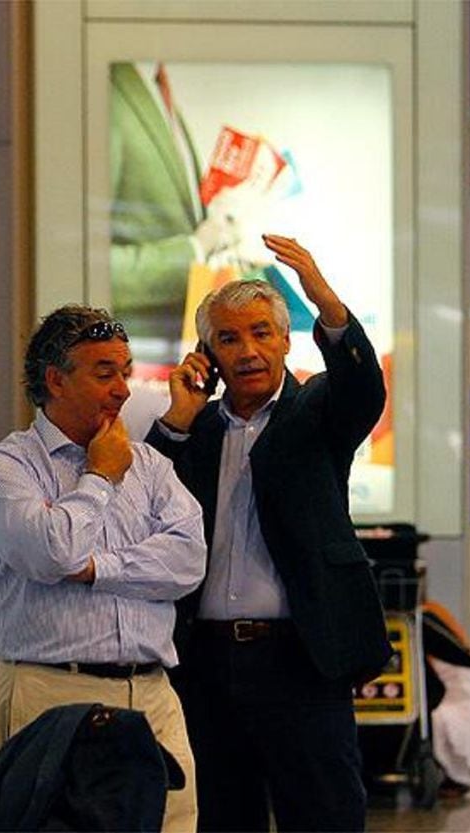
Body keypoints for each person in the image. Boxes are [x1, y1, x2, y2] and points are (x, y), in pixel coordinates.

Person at [144, 234, 391, 833]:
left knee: (324, 815)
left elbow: (364, 389)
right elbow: (141, 503)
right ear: (208, 352)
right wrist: (178, 417)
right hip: (204, 662)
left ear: (286, 340)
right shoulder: (194, 429)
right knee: (220, 816)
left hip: (300, 659)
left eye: (261, 333)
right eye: (229, 338)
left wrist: (323, 298)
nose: (248, 350)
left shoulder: (318, 411)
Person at [0, 304, 207, 833]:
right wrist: (98, 477)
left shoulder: (149, 466)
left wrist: (99, 566)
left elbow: (189, 561)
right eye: (105, 373)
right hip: (52, 692)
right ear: (56, 379)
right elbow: (52, 553)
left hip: (153, 695)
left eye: (125, 371)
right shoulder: (4, 471)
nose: (123, 388)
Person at [110, 61, 237, 355]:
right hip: (132, 360)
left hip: (178, 358)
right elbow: (78, 263)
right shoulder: (109, 87)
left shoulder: (153, 84)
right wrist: (193, 252)